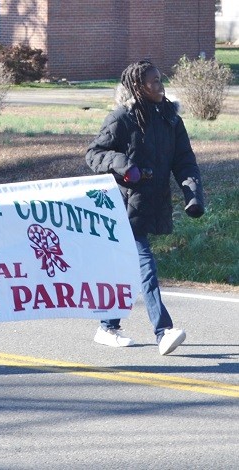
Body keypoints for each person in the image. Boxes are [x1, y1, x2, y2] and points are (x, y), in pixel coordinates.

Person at [86, 59, 204, 355]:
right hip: (121, 205)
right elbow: (95, 154)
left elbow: (184, 162)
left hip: (150, 203)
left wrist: (193, 196)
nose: (161, 85)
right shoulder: (122, 118)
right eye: (154, 81)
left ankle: (107, 327)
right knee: (145, 265)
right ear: (138, 86)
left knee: (125, 267)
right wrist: (124, 165)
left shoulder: (170, 120)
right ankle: (163, 330)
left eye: (161, 79)